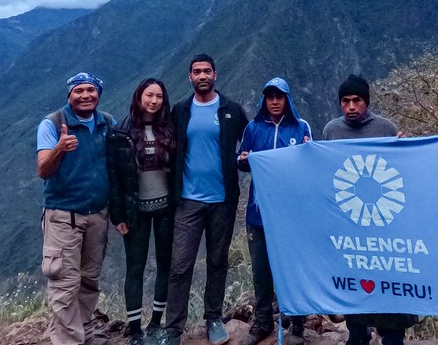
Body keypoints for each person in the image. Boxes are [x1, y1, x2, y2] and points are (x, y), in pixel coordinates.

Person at [158, 54, 249, 345]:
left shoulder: (231, 110)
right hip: (187, 200)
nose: (202, 76)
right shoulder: (180, 110)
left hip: (223, 200)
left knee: (218, 262)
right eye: (196, 72)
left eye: (206, 71)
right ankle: (173, 328)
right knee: (180, 265)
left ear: (215, 74)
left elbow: (252, 143)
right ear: (189, 77)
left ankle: (213, 318)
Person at [320, 74, 416, 345]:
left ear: (366, 101)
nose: (351, 106)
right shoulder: (331, 130)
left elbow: (399, 170)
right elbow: (326, 171)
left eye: (357, 100)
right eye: (345, 101)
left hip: (384, 218)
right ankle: (357, 332)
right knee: (353, 274)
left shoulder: (385, 128)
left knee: (389, 276)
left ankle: (393, 335)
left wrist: (406, 150)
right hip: (348, 216)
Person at [36, 72, 115, 345]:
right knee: (64, 284)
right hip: (63, 216)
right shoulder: (53, 124)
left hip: (97, 214)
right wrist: (59, 148)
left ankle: (86, 335)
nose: (85, 95)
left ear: (98, 94)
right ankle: (69, 341)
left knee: (89, 280)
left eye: (90, 90)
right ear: (69, 95)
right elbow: (43, 170)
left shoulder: (106, 123)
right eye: (78, 90)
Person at [236, 78, 313, 345]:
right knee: (261, 271)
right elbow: (241, 160)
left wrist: (307, 152)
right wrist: (244, 160)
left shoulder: (301, 128)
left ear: (288, 99)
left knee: (291, 268)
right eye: (270, 97)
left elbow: (310, 165)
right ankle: (263, 322)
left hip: (290, 215)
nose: (275, 102)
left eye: (280, 97)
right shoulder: (254, 128)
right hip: (258, 213)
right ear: (264, 101)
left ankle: (297, 323)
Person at [107, 78, 177, 345]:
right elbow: (113, 176)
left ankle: (156, 323)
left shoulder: (168, 129)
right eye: (149, 95)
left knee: (164, 266)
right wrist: (118, 215)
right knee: (134, 268)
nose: (154, 101)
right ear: (139, 96)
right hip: (135, 212)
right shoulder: (121, 132)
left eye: (159, 96)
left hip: (165, 209)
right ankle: (135, 329)